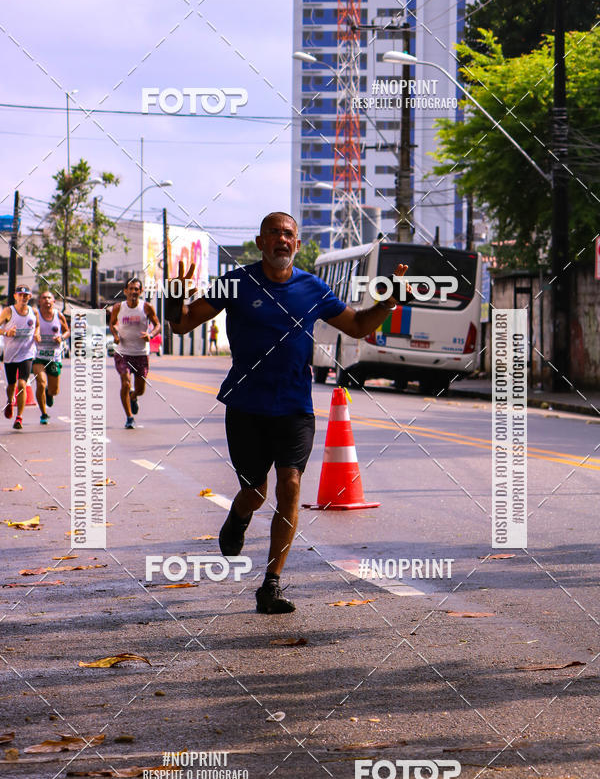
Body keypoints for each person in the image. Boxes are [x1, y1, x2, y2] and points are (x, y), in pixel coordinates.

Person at [168, 212, 408, 614]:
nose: (282, 239)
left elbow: (358, 326)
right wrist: (175, 296)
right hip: (246, 406)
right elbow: (182, 324)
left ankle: (271, 584)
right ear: (260, 242)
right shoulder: (234, 283)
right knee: (255, 491)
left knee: (291, 484)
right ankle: (239, 514)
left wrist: (389, 300)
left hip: (295, 406)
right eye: (275, 233)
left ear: (297, 244)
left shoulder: (313, 287)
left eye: (289, 234)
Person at [109, 278, 160, 429]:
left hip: (141, 353)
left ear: (141, 291)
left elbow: (158, 324)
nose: (133, 292)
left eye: (136, 289)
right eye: (130, 289)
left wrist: (150, 335)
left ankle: (133, 396)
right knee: (125, 382)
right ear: (125, 291)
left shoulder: (147, 307)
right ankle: (129, 417)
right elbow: (112, 323)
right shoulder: (118, 307)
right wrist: (115, 335)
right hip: (123, 353)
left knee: (140, 390)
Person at [0, 285, 40, 430]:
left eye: (26, 295)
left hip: (27, 353)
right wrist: (6, 332)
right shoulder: (8, 311)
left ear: (30, 296)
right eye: (20, 295)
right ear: (15, 296)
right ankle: (10, 401)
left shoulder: (34, 311)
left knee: (22, 384)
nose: (23, 297)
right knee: (12, 386)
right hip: (10, 355)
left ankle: (19, 417)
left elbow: (37, 326)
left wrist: (37, 334)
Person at [33, 290, 70, 425]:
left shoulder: (58, 315)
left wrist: (62, 337)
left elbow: (67, 331)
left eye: (49, 298)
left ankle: (49, 393)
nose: (47, 300)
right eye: (44, 298)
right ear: (39, 301)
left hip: (54, 357)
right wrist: (35, 335)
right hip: (38, 355)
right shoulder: (35, 315)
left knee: (54, 390)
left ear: (53, 301)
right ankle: (44, 414)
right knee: (41, 383)